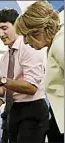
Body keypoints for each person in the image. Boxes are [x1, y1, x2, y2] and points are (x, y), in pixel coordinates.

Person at [0, 8, 49, 143]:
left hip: (32, 108)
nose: (0, 34)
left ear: (17, 26)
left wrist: (0, 80)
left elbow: (31, 88)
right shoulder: (5, 58)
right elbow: (5, 91)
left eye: (4, 28)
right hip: (13, 110)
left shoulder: (29, 46)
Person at [14, 1, 64, 142]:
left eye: (25, 35)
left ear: (38, 30)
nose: (24, 42)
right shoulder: (54, 45)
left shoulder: (60, 45)